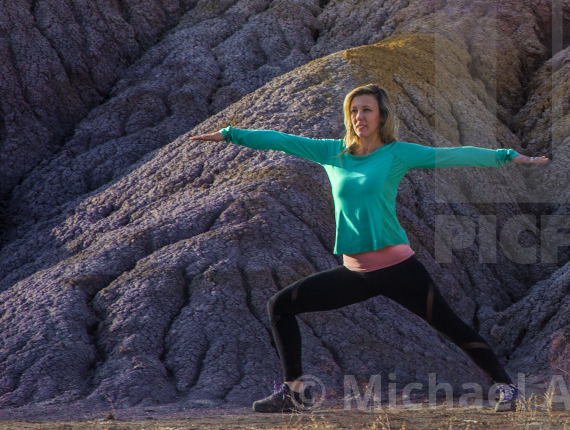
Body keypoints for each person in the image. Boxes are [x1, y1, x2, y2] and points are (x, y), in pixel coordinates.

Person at [190, 83, 548, 413]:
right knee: (280, 306)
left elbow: (453, 155)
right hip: (356, 272)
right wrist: (229, 135)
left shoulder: (396, 154)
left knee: (451, 326)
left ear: (382, 117)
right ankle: (295, 392)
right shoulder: (333, 153)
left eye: (367, 110)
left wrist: (507, 156)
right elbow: (279, 140)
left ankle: (506, 387)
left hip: (398, 270)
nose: (359, 117)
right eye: (354, 111)